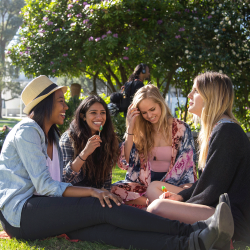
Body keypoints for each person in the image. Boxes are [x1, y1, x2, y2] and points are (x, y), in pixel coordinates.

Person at [0, 75, 235, 250]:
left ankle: (191, 244)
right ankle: (195, 229)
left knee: (104, 231)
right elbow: (45, 186)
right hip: (22, 213)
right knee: (100, 205)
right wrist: (91, 191)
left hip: (43, 207)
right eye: (60, 101)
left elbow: (56, 182)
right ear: (45, 104)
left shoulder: (48, 134)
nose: (65, 106)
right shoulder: (27, 132)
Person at [146, 72, 250, 244]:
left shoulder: (227, 132)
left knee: (158, 207)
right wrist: (179, 198)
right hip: (219, 209)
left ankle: (198, 235)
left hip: (231, 219)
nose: (189, 95)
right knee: (156, 193)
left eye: (195, 91)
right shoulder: (220, 129)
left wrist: (181, 203)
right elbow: (210, 182)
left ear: (210, 96)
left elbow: (212, 189)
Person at [111, 84, 197, 206]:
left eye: (152, 109)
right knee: (112, 190)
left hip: (171, 187)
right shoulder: (140, 130)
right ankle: (154, 204)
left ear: (160, 104)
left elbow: (188, 169)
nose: (149, 116)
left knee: (184, 190)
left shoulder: (181, 128)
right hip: (144, 188)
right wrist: (130, 128)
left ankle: (151, 206)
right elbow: (125, 161)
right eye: (144, 112)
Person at [59, 95, 119, 191]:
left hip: (97, 194)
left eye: (103, 113)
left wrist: (106, 193)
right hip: (74, 195)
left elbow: (106, 179)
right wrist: (85, 152)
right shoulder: (69, 138)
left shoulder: (108, 138)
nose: (99, 117)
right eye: (93, 113)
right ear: (83, 116)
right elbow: (64, 180)